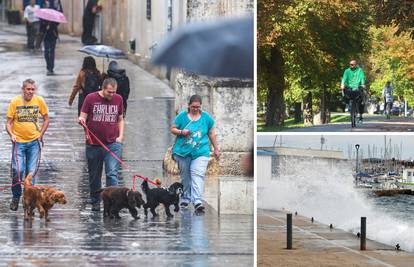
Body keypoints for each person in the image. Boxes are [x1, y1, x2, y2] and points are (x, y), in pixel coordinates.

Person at [78, 78, 124, 211]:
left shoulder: (118, 99)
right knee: (94, 175)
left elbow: (121, 119)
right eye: (109, 92)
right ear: (103, 89)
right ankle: (95, 201)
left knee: (112, 173)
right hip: (94, 144)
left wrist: (120, 137)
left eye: (114, 92)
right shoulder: (90, 98)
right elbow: (83, 116)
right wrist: (81, 120)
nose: (112, 95)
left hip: (113, 144)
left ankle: (113, 202)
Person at [171, 94, 220, 213]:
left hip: (201, 152)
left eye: (198, 107)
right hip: (183, 152)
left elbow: (211, 133)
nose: (195, 109)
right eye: (193, 106)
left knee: (197, 174)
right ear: (189, 105)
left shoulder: (206, 118)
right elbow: (173, 129)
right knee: (186, 177)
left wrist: (216, 148)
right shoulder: (182, 116)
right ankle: (186, 198)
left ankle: (197, 201)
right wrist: (182, 132)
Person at [6, 79, 49, 211]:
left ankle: (30, 202)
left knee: (31, 173)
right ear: (23, 90)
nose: (30, 92)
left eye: (32, 89)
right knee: (17, 170)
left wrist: (41, 134)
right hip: (18, 142)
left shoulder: (39, 101)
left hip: (33, 143)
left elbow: (46, 118)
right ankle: (16, 196)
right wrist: (11, 134)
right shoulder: (15, 102)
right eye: (28, 89)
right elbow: (8, 122)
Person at [39, 0, 62, 75]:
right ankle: (48, 65)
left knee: (52, 51)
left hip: (53, 31)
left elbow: (60, 14)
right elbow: (41, 14)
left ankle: (51, 68)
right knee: (46, 51)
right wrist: (45, 23)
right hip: (45, 31)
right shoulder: (44, 1)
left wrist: (53, 24)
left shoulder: (57, 1)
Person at [341, 60, 366, 127]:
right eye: (350, 64)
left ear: (356, 65)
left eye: (352, 64)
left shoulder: (359, 70)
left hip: (357, 87)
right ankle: (346, 103)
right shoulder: (347, 71)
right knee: (344, 93)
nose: (351, 65)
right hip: (349, 88)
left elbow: (362, 77)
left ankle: (360, 114)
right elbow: (344, 78)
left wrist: (363, 84)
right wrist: (342, 84)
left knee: (362, 99)